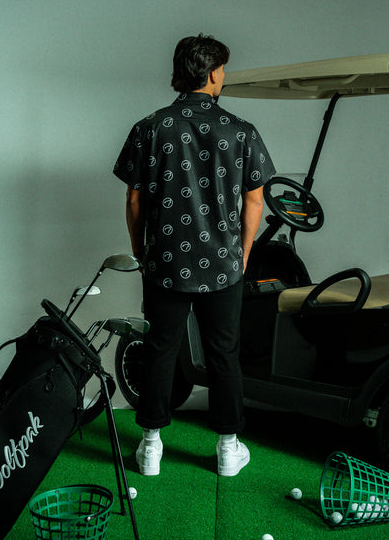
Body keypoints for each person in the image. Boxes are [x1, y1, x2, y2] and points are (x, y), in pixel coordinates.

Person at [113, 34, 275, 477]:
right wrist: (243, 253)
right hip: (223, 263)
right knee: (223, 353)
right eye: (223, 69)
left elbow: (133, 198)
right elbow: (255, 200)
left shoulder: (150, 127)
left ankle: (150, 447)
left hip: (164, 261)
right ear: (214, 73)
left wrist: (140, 248)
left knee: (160, 348)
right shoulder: (241, 130)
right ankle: (227, 449)